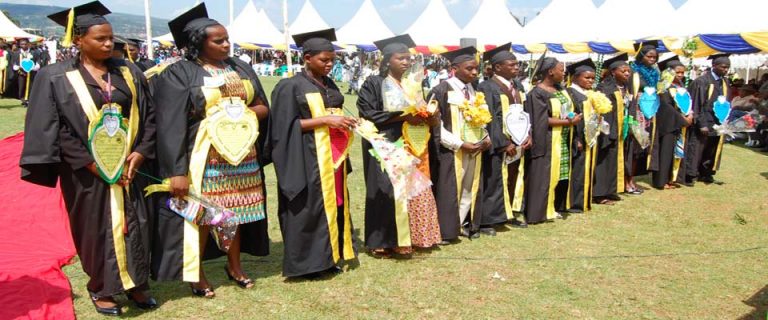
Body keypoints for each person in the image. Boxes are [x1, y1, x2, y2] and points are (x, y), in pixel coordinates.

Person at [20, 1, 157, 315]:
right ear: (78, 39)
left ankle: (136, 284)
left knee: (136, 221)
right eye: (100, 38)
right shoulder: (55, 77)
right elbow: (55, 127)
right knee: (94, 226)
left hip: (129, 165)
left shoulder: (129, 72)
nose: (109, 43)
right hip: (83, 169)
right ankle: (101, 287)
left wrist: (140, 153)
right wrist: (92, 163)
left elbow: (149, 117)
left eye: (111, 37)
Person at [151, 3, 271, 298]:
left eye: (227, 38)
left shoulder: (239, 67)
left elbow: (263, 107)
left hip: (241, 155)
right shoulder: (179, 73)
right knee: (204, 214)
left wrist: (241, 115)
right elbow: (170, 125)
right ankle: (197, 272)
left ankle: (235, 265)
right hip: (204, 158)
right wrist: (176, 172)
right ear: (197, 43)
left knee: (236, 212)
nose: (227, 44)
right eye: (218, 40)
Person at [269, 28, 358, 278]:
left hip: (333, 155)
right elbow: (283, 126)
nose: (329, 64)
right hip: (305, 156)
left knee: (333, 204)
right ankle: (307, 265)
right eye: (324, 60)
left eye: (332, 60)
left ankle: (329, 257)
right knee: (308, 206)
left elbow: (334, 115)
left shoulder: (328, 84)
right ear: (307, 58)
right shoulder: (290, 86)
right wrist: (324, 121)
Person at [357, 34, 442, 257]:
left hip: (411, 143)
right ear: (387, 60)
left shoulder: (411, 85)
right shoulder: (374, 83)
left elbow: (420, 110)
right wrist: (403, 117)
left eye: (408, 59)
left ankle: (408, 239)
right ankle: (381, 241)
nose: (406, 62)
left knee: (410, 189)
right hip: (384, 143)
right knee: (385, 190)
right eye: (400, 58)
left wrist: (428, 114)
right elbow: (368, 113)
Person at [427, 46, 490, 242]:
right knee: (450, 189)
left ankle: (462, 224)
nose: (474, 72)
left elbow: (481, 119)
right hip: (451, 150)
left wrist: (485, 137)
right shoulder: (441, 90)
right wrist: (459, 144)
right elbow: (435, 125)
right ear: (454, 68)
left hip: (474, 148)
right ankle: (446, 230)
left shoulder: (474, 91)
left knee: (469, 187)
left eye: (476, 69)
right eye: (469, 68)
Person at [477, 43, 530, 231]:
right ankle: (488, 220)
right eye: (512, 65)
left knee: (513, 177)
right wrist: (503, 142)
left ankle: (508, 213)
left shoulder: (517, 85)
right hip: (499, 143)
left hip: (518, 140)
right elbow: (489, 118)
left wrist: (528, 134)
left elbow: (524, 113)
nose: (517, 68)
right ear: (498, 67)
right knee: (493, 180)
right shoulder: (487, 87)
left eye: (517, 65)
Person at [524, 56, 581, 224]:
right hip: (547, 139)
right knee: (544, 175)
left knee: (559, 175)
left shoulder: (560, 89)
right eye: (561, 70)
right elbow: (540, 120)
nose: (564, 73)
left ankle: (555, 206)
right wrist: (568, 122)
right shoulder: (537, 93)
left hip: (563, 138)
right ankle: (540, 212)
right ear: (550, 71)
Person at [685, 53, 732, 185]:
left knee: (712, 149)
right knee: (697, 148)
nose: (726, 70)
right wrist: (702, 124)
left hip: (718, 122)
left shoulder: (725, 82)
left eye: (728, 67)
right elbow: (696, 104)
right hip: (704, 121)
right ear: (714, 65)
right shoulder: (702, 81)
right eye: (723, 67)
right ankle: (690, 175)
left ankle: (706, 173)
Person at [649, 56, 693, 189]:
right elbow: (665, 106)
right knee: (665, 153)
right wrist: (683, 119)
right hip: (667, 125)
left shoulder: (680, 87)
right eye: (677, 72)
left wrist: (690, 114)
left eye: (682, 73)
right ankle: (661, 181)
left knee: (676, 152)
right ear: (669, 72)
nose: (680, 75)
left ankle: (672, 178)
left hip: (678, 124)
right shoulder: (663, 87)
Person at [594, 53, 632, 205]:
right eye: (623, 71)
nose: (627, 73)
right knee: (604, 161)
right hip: (608, 130)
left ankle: (611, 190)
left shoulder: (625, 87)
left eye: (628, 71)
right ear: (613, 72)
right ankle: (599, 194)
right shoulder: (604, 87)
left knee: (614, 160)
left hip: (622, 128)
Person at [626, 41, 661, 194]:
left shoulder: (655, 73)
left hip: (648, 112)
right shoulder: (632, 71)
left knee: (640, 147)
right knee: (632, 147)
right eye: (649, 56)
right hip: (635, 111)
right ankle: (626, 181)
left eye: (655, 57)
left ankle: (631, 179)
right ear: (641, 56)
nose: (652, 59)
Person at [565, 58, 598, 213]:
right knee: (577, 172)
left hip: (590, 138)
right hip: (576, 138)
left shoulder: (590, 94)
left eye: (592, 78)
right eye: (587, 77)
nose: (590, 80)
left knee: (585, 169)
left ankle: (585, 200)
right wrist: (577, 138)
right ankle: (574, 203)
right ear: (575, 77)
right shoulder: (570, 93)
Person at [10, 38, 40, 106]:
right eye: (22, 44)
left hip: (31, 73)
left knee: (31, 87)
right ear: (19, 45)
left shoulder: (34, 53)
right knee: (21, 87)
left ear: (29, 44)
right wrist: (18, 67)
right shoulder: (16, 53)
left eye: (25, 44)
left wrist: (32, 68)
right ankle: (23, 99)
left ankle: (29, 100)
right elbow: (13, 64)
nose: (24, 45)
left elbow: (38, 63)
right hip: (20, 73)